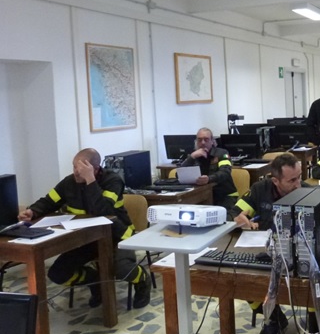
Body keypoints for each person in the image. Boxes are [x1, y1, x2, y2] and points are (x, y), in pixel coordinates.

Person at [18, 148, 151, 309]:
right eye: (74, 167)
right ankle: (95, 281)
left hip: (117, 235)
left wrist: (90, 181)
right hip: (87, 238)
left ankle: (143, 280)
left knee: (121, 269)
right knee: (58, 273)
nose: (76, 172)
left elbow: (102, 210)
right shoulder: (68, 183)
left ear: (94, 169)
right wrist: (33, 211)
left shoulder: (113, 180)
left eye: (81, 168)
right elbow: (48, 201)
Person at [233, 152, 309, 334]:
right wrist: (241, 218)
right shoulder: (260, 189)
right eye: (291, 180)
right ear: (275, 180)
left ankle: (315, 330)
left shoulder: (308, 193)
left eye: (299, 177)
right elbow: (238, 211)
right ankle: (275, 319)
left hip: (299, 256)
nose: (298, 184)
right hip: (267, 253)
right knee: (241, 281)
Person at [180, 127, 238, 219]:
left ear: (212, 141)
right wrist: (191, 157)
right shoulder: (194, 155)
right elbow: (180, 175)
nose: (202, 142)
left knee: (219, 220)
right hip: (201, 196)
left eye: (206, 139)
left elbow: (225, 172)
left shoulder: (222, 154)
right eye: (199, 140)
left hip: (224, 196)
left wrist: (209, 179)